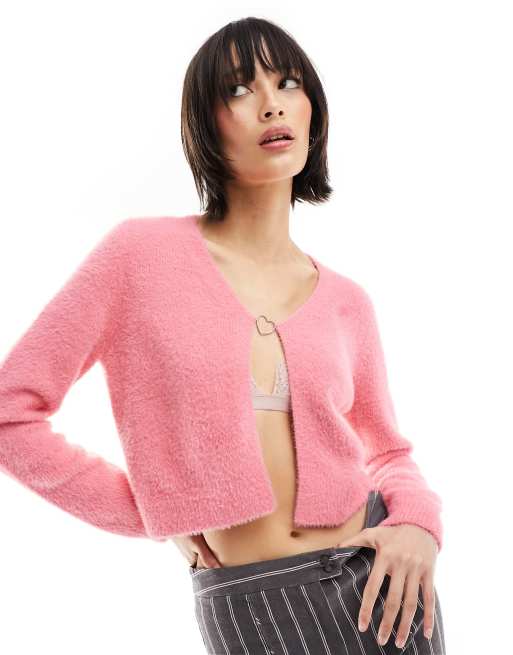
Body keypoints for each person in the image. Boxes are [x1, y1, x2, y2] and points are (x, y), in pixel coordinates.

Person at [0, 16, 446, 655]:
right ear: (205, 125)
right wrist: (159, 512)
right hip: (250, 600)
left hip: (383, 585)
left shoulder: (347, 301)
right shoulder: (138, 257)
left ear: (313, 111)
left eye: (287, 83)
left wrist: (418, 526)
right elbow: (10, 412)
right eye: (239, 89)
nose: (271, 104)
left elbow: (388, 453)